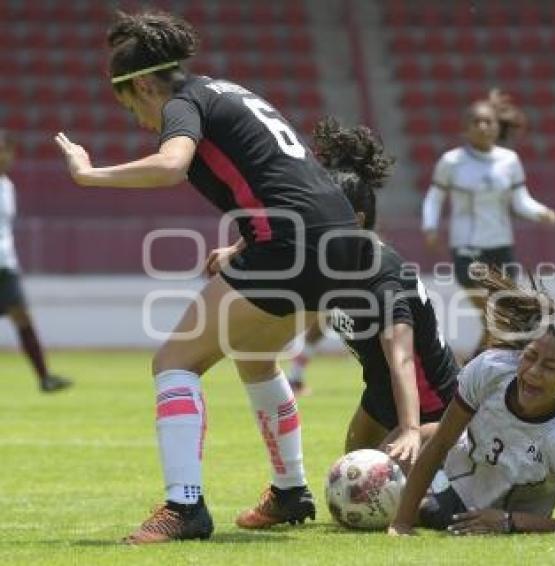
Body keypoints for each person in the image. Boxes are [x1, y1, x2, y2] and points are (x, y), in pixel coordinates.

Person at [54, 10, 369, 544]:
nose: (137, 118)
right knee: (252, 355)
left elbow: (171, 164)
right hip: (340, 244)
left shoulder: (183, 102)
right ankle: (290, 492)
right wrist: (244, 242)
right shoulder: (230, 91)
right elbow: (289, 178)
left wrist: (89, 175)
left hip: (291, 245)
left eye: (130, 103)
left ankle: (184, 508)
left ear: (145, 83)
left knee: (173, 362)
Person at [389, 268, 555, 535]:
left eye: (550, 367)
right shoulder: (490, 370)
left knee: (417, 508)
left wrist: (509, 522)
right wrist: (400, 523)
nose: (534, 371)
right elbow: (441, 443)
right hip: (471, 468)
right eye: (530, 356)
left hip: (502, 504)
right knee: (407, 445)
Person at [310, 118, 459, 470]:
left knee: (386, 492)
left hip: (431, 404)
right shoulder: (333, 261)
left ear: (357, 220)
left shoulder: (382, 276)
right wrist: (237, 251)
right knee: (349, 479)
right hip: (379, 395)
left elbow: (402, 360)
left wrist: (410, 430)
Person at [420, 91, 555, 356]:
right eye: (476, 121)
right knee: (493, 317)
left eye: (488, 121)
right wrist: (430, 227)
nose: (483, 126)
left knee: (501, 319)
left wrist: (541, 212)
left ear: (497, 127)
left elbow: (520, 201)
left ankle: (468, 374)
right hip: (467, 248)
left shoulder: (509, 161)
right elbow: (434, 197)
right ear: (466, 128)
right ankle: (468, 374)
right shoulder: (452, 162)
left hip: (501, 247)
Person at [0, 129, 72, 393]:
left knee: (23, 318)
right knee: (22, 318)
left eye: (8, 151)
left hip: (5, 266)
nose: (6, 157)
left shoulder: (7, 186)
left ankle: (45, 377)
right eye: (2, 151)